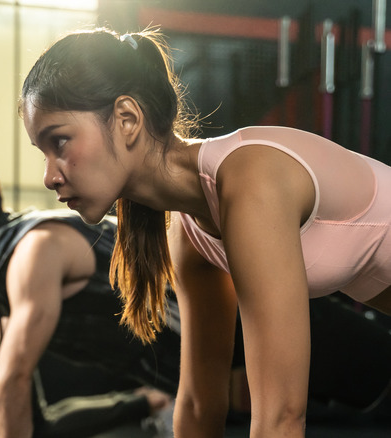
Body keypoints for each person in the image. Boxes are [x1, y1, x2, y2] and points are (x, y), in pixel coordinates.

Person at [19, 27, 391, 437]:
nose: (50, 175)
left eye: (60, 142)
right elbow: (199, 404)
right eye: (44, 152)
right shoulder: (190, 230)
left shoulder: (250, 183)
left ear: (127, 119)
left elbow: (281, 418)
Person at [0, 160, 179, 438]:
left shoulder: (33, 250)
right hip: (176, 372)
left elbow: (12, 378)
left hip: (212, 336)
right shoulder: (4, 274)